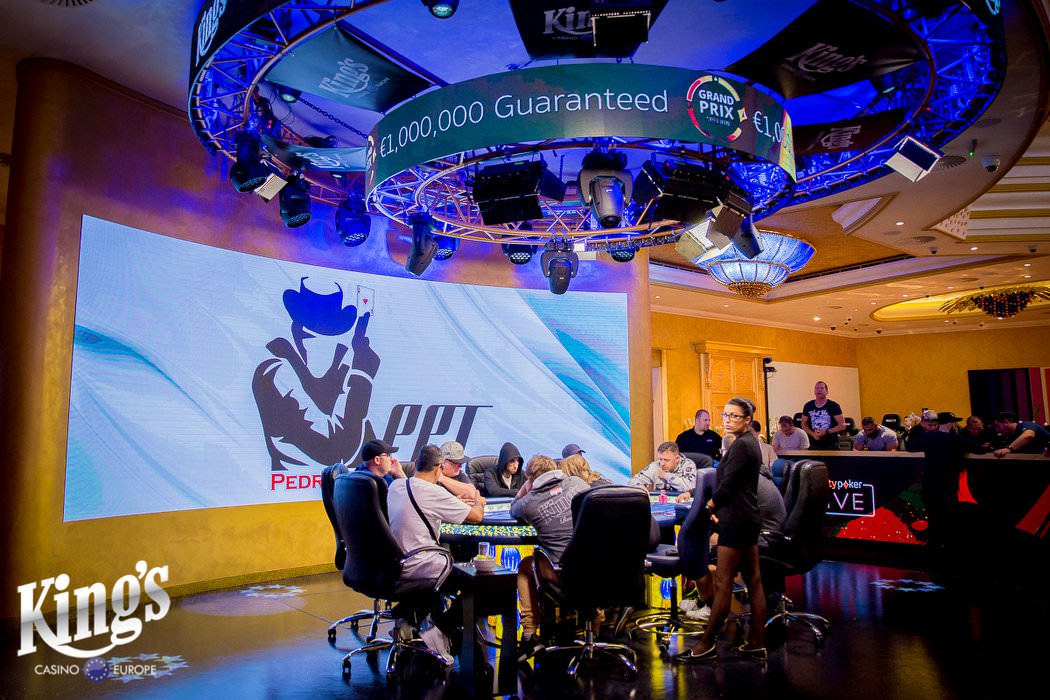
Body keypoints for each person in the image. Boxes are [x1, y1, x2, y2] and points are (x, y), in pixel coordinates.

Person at [676, 397, 767, 662]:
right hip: (746, 517)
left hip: (736, 520)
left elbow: (728, 487)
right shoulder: (749, 442)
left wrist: (709, 507)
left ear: (747, 420)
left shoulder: (742, 446)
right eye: (725, 415)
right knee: (754, 580)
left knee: (723, 582)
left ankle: (706, 644)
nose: (728, 420)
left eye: (734, 416)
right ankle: (757, 643)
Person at [386, 445, 486, 664]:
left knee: (449, 579)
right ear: (439, 469)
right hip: (423, 564)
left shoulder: (396, 486)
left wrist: (454, 503)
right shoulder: (434, 493)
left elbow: (414, 492)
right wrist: (479, 500)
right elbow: (477, 516)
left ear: (415, 464)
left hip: (395, 563)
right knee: (480, 583)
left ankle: (406, 619)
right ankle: (442, 631)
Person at [509, 455, 592, 661]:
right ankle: (596, 627)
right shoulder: (578, 484)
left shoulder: (528, 503)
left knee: (525, 566)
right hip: (597, 570)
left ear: (530, 479)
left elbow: (513, 508)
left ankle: (529, 635)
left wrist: (525, 488)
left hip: (563, 575)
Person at [629, 441, 697, 493]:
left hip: (682, 503)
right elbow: (632, 481)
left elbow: (690, 487)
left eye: (666, 460)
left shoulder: (688, 465)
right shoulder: (656, 465)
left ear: (677, 458)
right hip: (660, 504)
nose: (662, 463)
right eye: (661, 459)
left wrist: (666, 475)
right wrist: (640, 487)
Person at [800, 381, 846, 450]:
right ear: (814, 391)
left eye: (822, 388)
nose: (819, 390)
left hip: (830, 444)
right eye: (817, 388)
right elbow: (803, 424)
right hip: (813, 443)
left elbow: (842, 426)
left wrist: (826, 432)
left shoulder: (833, 406)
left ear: (827, 391)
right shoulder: (808, 405)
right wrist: (813, 434)